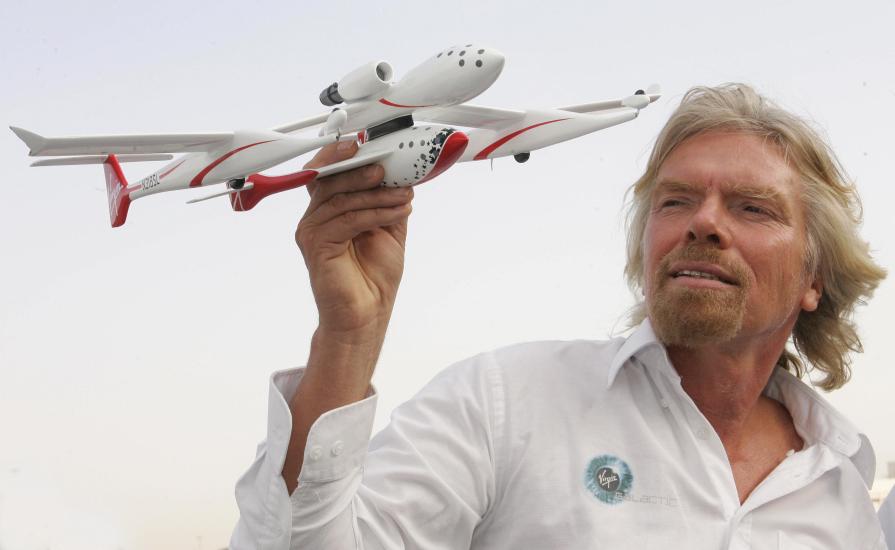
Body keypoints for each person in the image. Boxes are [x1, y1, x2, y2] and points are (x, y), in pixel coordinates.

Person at [229, 84, 888, 549]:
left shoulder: (838, 490)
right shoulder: (505, 402)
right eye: (675, 201)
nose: (703, 223)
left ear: (813, 278)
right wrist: (349, 334)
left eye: (751, 208)